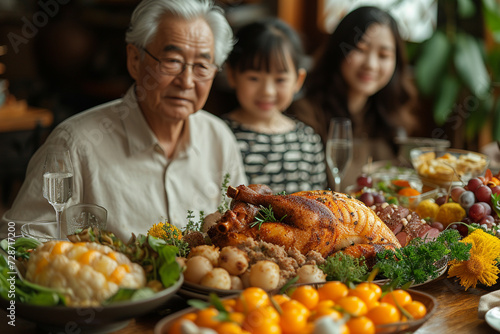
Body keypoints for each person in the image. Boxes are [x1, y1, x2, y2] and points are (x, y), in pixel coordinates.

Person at [2, 0, 248, 241]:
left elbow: (240, 229)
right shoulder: (73, 145)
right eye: (172, 61)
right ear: (134, 60)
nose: (186, 81)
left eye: (202, 66)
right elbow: (17, 245)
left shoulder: (219, 138)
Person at [287, 6, 420, 187]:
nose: (371, 65)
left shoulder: (392, 115)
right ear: (340, 49)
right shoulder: (305, 113)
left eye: (383, 55)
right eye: (360, 49)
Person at [221, 18, 328, 194]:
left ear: (298, 80)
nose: (268, 91)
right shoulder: (220, 134)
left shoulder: (307, 140)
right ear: (232, 75)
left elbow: (321, 203)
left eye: (280, 80)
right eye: (254, 78)